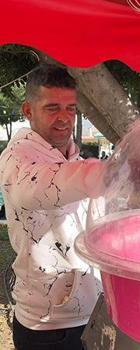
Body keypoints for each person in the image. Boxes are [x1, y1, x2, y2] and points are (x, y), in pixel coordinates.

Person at [0, 64, 107, 350]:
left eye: (71, 108)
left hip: (94, 310)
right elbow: (39, 187)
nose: (64, 118)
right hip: (47, 326)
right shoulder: (16, 159)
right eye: (52, 108)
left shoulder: (73, 158)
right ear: (27, 110)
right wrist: (115, 173)